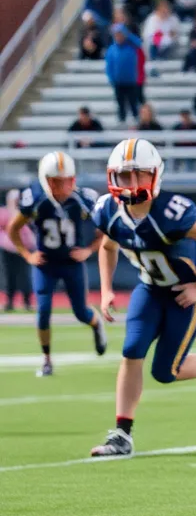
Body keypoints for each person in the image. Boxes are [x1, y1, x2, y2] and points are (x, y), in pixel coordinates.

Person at [88, 138, 196, 458]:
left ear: (155, 175)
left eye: (140, 175)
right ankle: (122, 434)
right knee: (131, 350)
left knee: (165, 372)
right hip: (150, 288)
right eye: (124, 176)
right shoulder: (108, 210)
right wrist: (106, 290)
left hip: (185, 294)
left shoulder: (172, 213)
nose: (132, 184)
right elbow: (107, 247)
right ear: (112, 177)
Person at [6, 152, 106, 376]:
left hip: (71, 262)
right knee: (43, 311)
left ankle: (95, 323)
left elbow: (106, 230)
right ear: (46, 180)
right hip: (46, 263)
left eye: (68, 180)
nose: (64, 186)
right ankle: (47, 360)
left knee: (81, 312)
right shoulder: (36, 197)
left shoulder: (83, 198)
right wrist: (27, 254)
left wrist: (89, 249)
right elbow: (13, 228)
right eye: (57, 181)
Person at [0, 189, 34, 311]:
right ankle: (9, 302)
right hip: (8, 248)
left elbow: (30, 229)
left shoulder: (26, 212)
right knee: (10, 276)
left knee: (25, 276)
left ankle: (27, 301)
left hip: (23, 248)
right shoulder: (4, 213)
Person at [105, 23, 143, 127]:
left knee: (133, 102)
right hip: (118, 82)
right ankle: (122, 120)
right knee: (120, 103)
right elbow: (109, 66)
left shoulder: (131, 46)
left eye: (121, 34)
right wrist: (111, 78)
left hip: (131, 81)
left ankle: (136, 119)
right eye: (116, 35)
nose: (119, 37)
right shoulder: (112, 49)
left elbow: (139, 43)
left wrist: (128, 34)